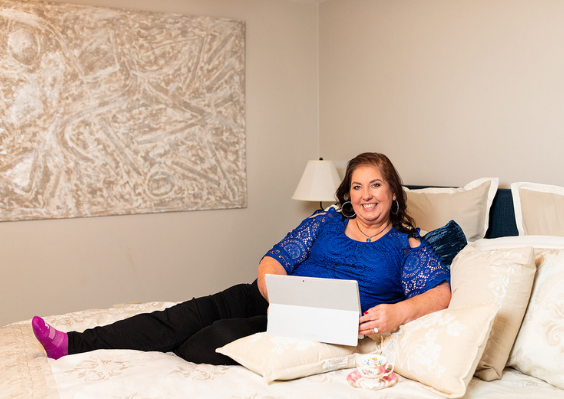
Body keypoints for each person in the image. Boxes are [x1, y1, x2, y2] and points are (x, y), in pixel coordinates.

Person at [32, 152, 451, 365]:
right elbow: (275, 258)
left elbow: (441, 292)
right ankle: (72, 343)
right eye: (357, 187)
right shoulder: (326, 221)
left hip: (316, 325)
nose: (365, 196)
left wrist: (397, 313)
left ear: (392, 192)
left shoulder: (408, 246)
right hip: (268, 296)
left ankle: (159, 351)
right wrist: (274, 291)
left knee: (209, 338)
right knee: (181, 315)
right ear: (349, 193)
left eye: (375, 185)